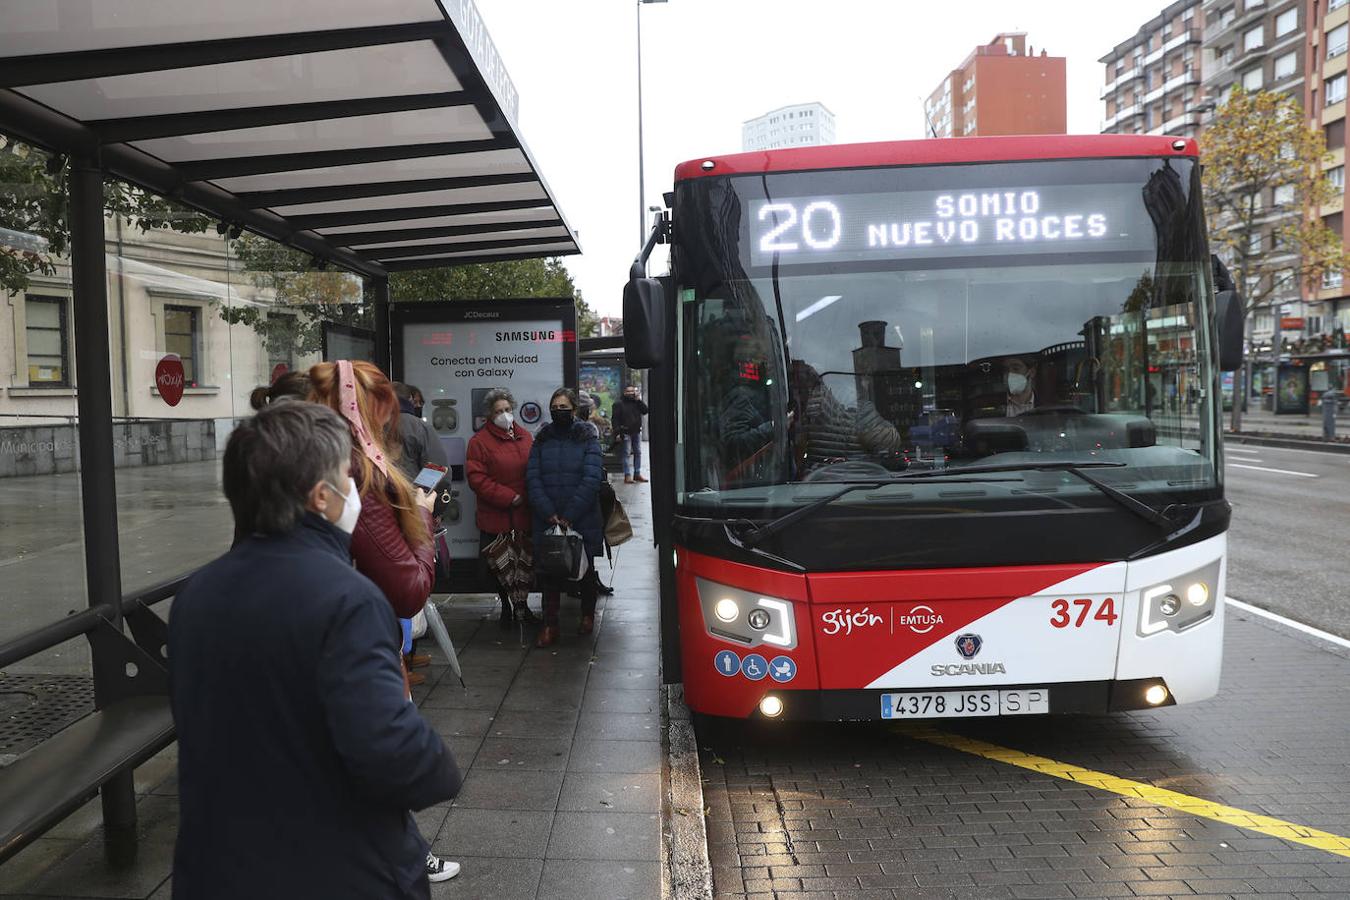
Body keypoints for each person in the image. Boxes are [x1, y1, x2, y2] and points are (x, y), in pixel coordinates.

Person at [169, 401, 462, 899]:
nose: (356, 492)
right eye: (348, 480)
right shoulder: (346, 598)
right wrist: (439, 767)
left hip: (216, 869)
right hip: (336, 871)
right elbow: (394, 753)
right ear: (323, 498)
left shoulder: (197, 593)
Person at [308, 360, 459, 884]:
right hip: (354, 643)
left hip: (303, 637)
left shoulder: (298, 464)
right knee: (371, 761)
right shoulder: (360, 475)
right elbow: (407, 588)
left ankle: (403, 851)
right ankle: (403, 859)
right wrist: (421, 515)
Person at [526, 388, 605, 647]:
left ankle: (587, 615)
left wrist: (570, 515)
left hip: (581, 517)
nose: (559, 411)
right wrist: (549, 512)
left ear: (574, 409)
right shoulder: (542, 439)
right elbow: (533, 477)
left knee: (585, 570)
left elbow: (592, 478)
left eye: (564, 406)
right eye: (555, 406)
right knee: (550, 574)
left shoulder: (587, 438)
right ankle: (550, 625)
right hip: (548, 517)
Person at [465, 387, 536, 627]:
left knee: (524, 564)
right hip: (497, 516)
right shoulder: (479, 442)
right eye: (498, 411)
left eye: (507, 409)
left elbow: (534, 470)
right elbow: (477, 479)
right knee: (500, 566)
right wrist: (509, 497)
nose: (504, 415)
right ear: (489, 415)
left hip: (524, 514)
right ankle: (507, 607)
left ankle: (523, 607)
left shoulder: (525, 436)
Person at [393, 382, 449, 482]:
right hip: (411, 494)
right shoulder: (420, 427)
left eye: (421, 403)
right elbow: (436, 469)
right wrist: (422, 493)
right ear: (410, 399)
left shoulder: (369, 425)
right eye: (416, 402)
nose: (418, 406)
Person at [612, 385, 649, 484]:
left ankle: (637, 473)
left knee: (638, 452)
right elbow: (615, 419)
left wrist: (639, 400)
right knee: (626, 453)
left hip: (636, 431)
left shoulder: (636, 403)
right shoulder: (619, 404)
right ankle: (627, 475)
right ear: (624, 392)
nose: (631, 393)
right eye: (628, 391)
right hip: (625, 432)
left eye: (633, 391)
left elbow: (645, 411)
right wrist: (617, 433)